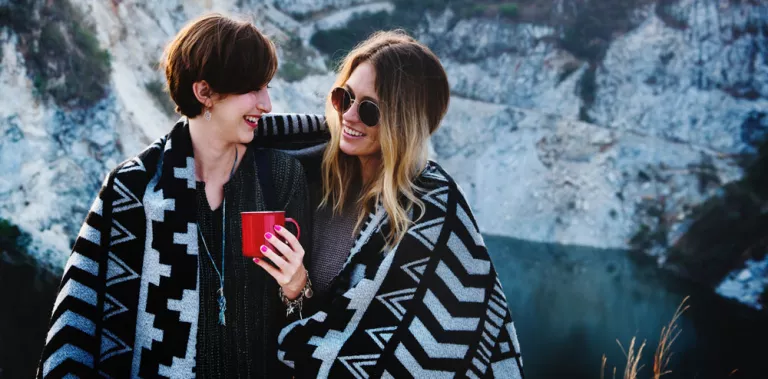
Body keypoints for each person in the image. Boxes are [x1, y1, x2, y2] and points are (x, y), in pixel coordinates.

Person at [36, 13, 311, 378]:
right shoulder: (133, 188)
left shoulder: (279, 177)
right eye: (252, 89)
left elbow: (305, 325)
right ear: (204, 93)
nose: (266, 105)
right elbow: (83, 319)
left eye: (268, 88)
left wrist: (297, 287)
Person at [253, 30, 524, 378]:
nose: (349, 115)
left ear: (404, 120)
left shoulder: (432, 216)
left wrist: (297, 289)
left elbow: (440, 354)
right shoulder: (303, 172)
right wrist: (295, 293)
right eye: (344, 97)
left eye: (368, 109)